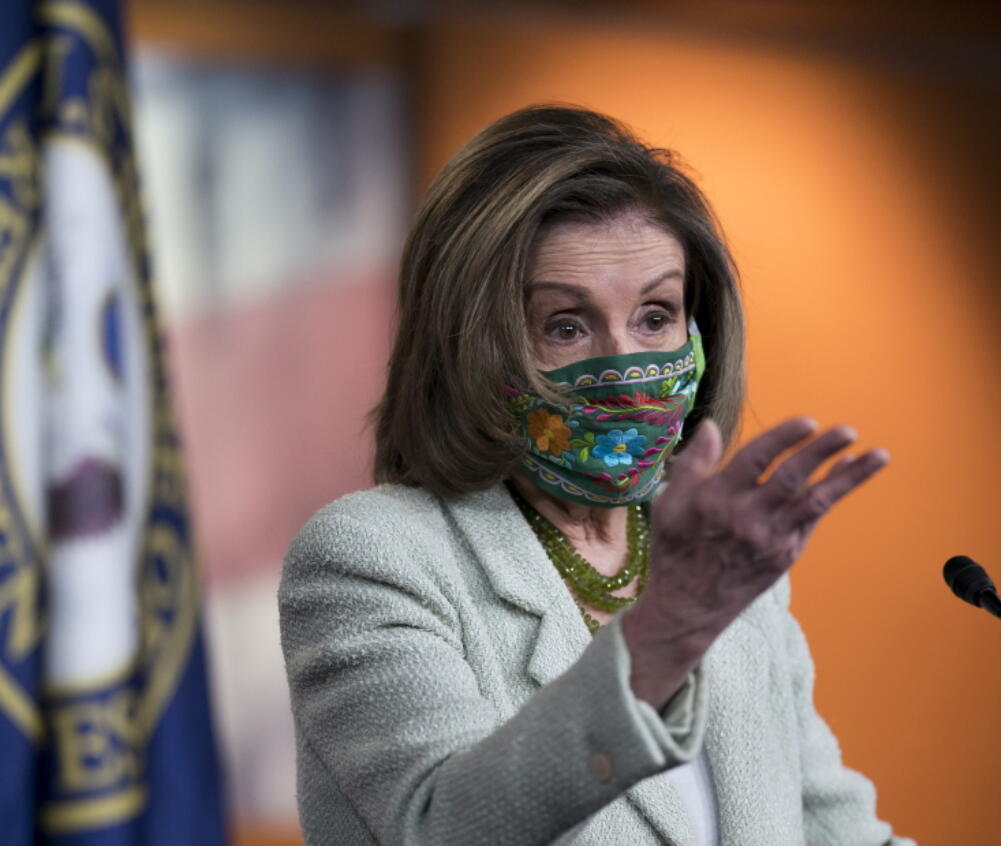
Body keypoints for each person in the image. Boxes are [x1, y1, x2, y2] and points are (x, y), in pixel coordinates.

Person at [279, 104, 914, 845]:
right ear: (471, 348)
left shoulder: (724, 566)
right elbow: (441, 827)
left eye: (654, 316)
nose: (624, 370)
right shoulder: (370, 559)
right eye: (565, 326)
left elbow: (836, 830)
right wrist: (666, 634)